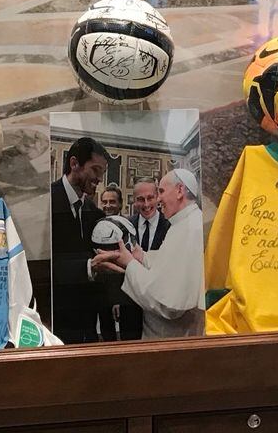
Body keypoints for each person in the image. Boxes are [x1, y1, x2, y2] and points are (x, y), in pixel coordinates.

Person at [92, 169, 205, 339]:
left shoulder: (191, 228)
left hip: (171, 338)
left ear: (180, 190)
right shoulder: (183, 224)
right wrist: (142, 256)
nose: (158, 199)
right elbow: (169, 266)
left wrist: (130, 263)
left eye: (161, 192)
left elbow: (168, 302)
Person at [49, 137, 108, 344]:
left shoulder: (95, 213)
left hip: (88, 324)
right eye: (95, 170)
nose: (100, 178)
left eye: (102, 171)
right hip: (55, 321)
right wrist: (88, 266)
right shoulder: (47, 201)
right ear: (74, 164)